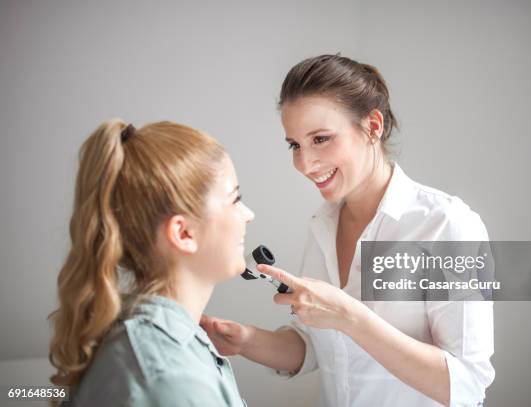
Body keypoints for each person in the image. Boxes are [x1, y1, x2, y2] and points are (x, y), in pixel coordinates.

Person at [200, 55, 495, 407]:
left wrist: (351, 318)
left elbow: (467, 385)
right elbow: (317, 348)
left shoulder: (446, 226)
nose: (305, 164)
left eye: (321, 139)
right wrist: (245, 340)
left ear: (372, 126)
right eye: (295, 145)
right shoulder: (322, 226)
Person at [48, 119, 253, 406]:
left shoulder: (150, 339)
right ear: (183, 233)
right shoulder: (171, 379)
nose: (248, 214)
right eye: (235, 199)